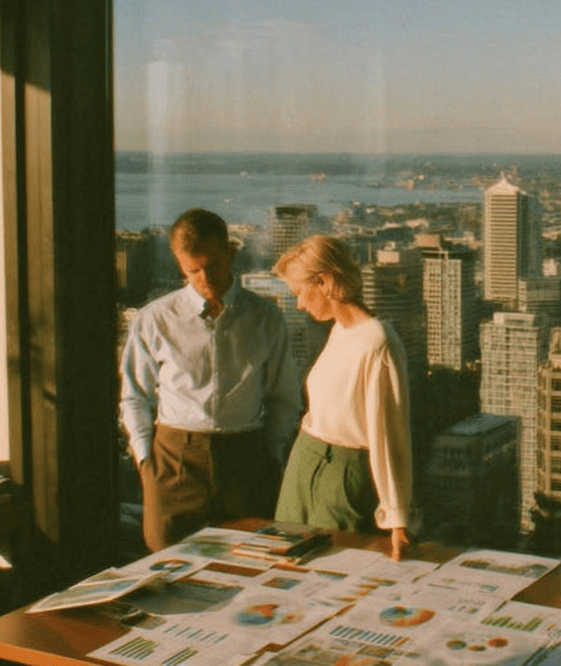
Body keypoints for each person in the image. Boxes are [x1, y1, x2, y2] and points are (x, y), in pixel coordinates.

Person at [120, 208, 303, 551]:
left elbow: (284, 396)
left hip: (246, 459)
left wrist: (272, 456)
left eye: (214, 265)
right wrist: (146, 462)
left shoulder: (265, 317)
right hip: (174, 460)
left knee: (250, 561)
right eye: (193, 270)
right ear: (179, 264)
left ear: (230, 253)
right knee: (166, 561)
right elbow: (134, 395)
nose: (205, 279)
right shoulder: (155, 319)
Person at [272, 235, 416, 560]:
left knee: (332, 569)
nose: (299, 304)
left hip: (342, 476)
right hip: (303, 460)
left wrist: (397, 518)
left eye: (299, 292)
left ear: (323, 282)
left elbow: (389, 435)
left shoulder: (377, 343)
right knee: (284, 564)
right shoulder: (340, 330)